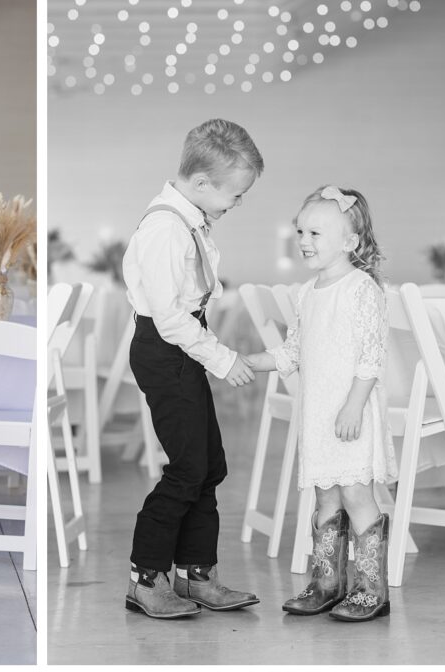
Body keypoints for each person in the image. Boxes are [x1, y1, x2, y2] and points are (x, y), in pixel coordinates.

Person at [121, 118, 262, 619]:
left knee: (209, 465)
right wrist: (224, 359)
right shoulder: (164, 228)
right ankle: (146, 577)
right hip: (165, 347)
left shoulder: (187, 219)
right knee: (187, 469)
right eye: (236, 195)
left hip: (181, 343)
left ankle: (197, 574)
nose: (237, 204)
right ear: (202, 184)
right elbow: (170, 318)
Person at [243, 185, 397, 622]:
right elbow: (291, 353)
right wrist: (245, 361)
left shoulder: (360, 289)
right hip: (318, 415)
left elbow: (372, 356)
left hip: (350, 411)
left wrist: (353, 405)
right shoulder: (307, 293)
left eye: (316, 233)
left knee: (355, 493)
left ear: (350, 242)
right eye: (301, 231)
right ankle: (326, 582)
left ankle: (372, 590)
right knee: (325, 495)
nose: (304, 241)